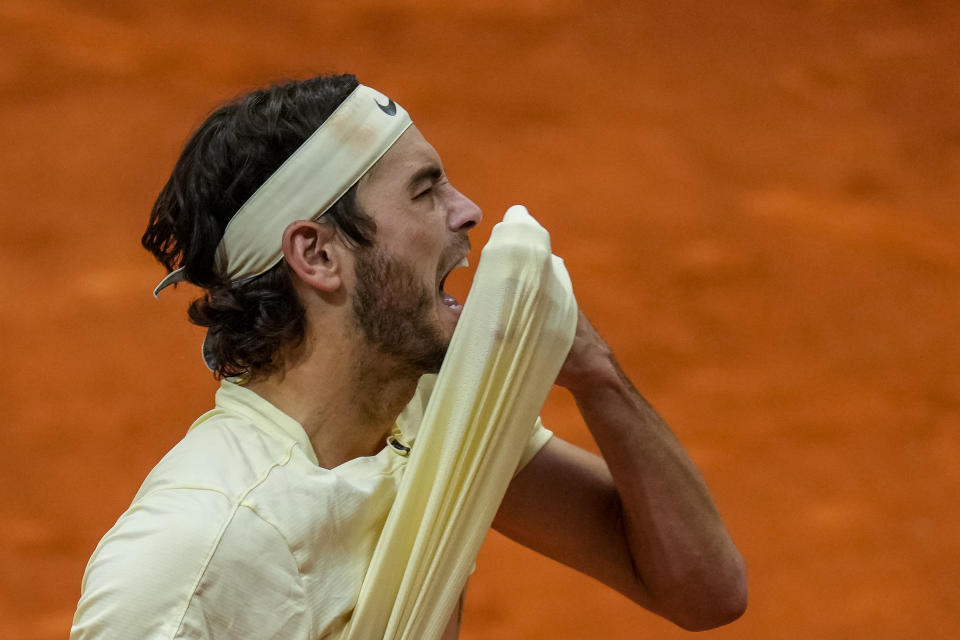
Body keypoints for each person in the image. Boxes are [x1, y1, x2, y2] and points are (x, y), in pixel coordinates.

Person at [70, 74, 747, 639]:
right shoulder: (196, 551)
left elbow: (703, 591)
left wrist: (598, 375)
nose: (469, 211)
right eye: (426, 191)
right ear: (318, 254)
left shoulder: (420, 414)